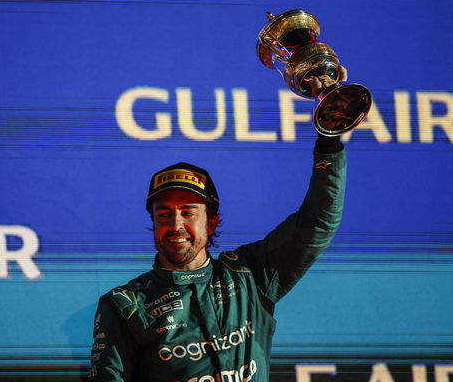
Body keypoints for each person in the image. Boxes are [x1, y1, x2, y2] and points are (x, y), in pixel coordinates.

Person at [88, 75, 347, 382]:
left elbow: (318, 221)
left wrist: (329, 137)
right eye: (164, 214)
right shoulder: (125, 305)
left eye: (188, 212)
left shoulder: (251, 274)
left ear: (211, 222)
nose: (176, 225)